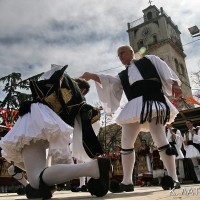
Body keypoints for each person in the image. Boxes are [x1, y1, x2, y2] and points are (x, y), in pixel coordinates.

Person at [81, 45, 182, 192]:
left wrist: (175, 84)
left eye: (122, 53)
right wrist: (92, 76)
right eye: (118, 55)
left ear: (131, 52)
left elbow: (165, 70)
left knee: (160, 139)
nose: (120, 56)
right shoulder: (122, 75)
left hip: (153, 101)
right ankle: (127, 181)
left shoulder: (150, 59)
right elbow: (109, 82)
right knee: (126, 143)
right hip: (134, 106)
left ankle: (174, 179)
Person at [0, 65, 111, 199]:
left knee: (35, 179)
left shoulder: (64, 86)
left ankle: (93, 168)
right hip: (42, 123)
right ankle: (48, 183)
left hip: (36, 123)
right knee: (26, 167)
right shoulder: (70, 92)